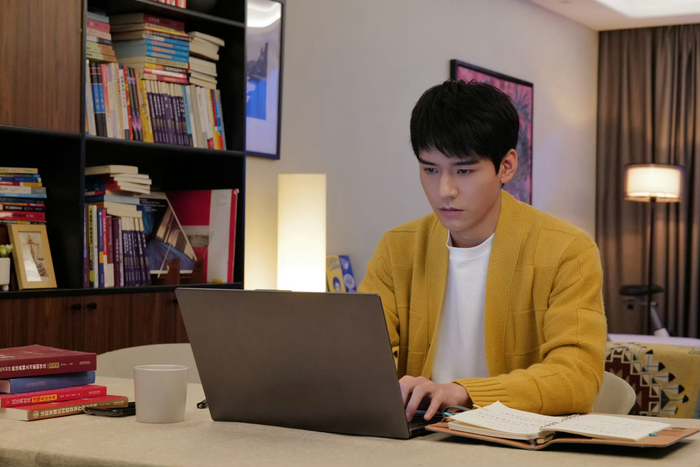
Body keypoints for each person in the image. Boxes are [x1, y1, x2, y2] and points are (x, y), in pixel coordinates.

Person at [357, 80, 607, 422]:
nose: (445, 190)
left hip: (517, 441)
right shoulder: (397, 248)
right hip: (418, 437)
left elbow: (577, 378)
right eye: (430, 169)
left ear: (506, 166)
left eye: (464, 170)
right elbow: (359, 358)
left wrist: (462, 392)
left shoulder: (567, 250)